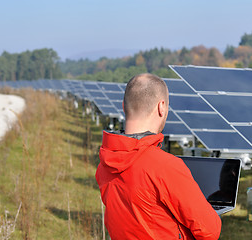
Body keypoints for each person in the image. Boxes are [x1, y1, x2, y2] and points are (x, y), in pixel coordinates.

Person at [95, 73, 221, 239]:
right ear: (161, 107)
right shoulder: (165, 166)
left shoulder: (106, 163)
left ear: (124, 107)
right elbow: (210, 231)